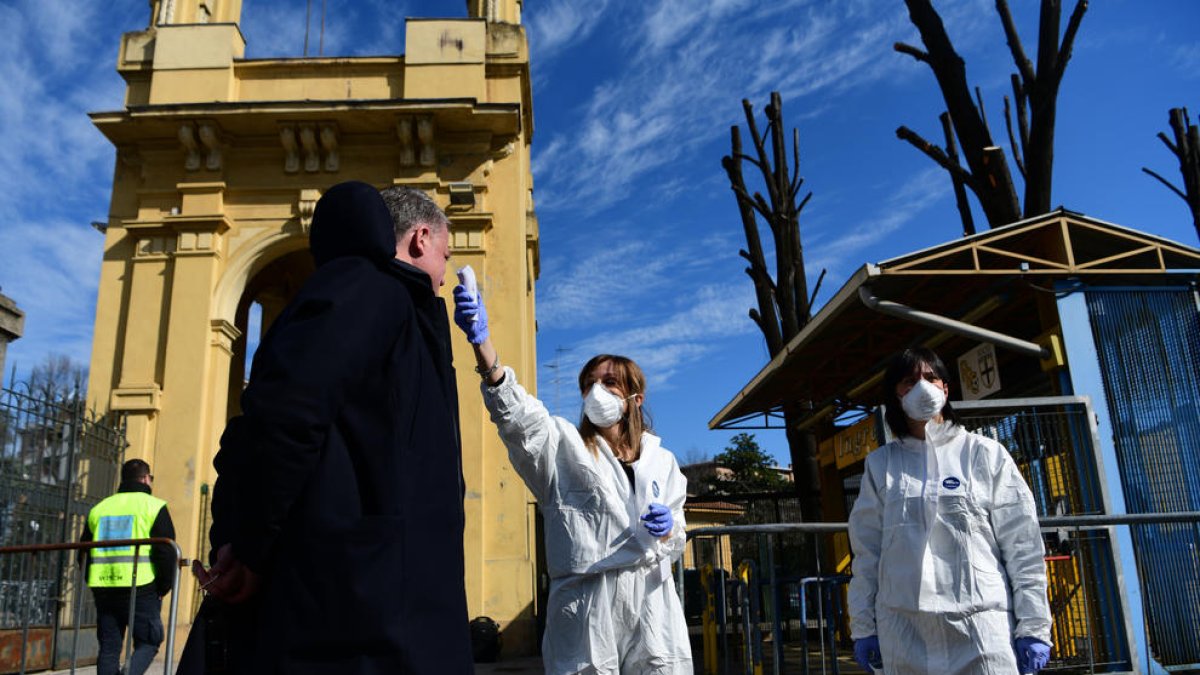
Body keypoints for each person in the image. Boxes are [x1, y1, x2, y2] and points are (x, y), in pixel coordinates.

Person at [190, 181, 473, 673]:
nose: (446, 276)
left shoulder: (405, 312)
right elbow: (282, 419)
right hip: (355, 608)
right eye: (446, 256)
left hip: (389, 602)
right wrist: (249, 546)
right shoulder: (366, 290)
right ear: (421, 238)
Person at [452, 284, 692, 674]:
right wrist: (486, 351)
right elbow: (518, 418)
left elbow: (677, 531)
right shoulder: (563, 448)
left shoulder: (662, 463)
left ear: (636, 397)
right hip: (586, 604)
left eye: (610, 382)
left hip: (651, 600)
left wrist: (669, 529)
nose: (597, 392)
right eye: (590, 384)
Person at [847, 347, 1053, 674]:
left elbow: (1023, 545)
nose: (922, 387)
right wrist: (864, 627)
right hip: (904, 629)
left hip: (980, 626)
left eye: (930, 377)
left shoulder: (984, 455)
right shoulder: (881, 465)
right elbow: (867, 552)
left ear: (946, 387)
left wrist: (1034, 626)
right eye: (909, 381)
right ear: (895, 394)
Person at [81, 459, 176, 675]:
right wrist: (163, 587)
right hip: (141, 587)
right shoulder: (153, 506)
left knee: (109, 647)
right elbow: (166, 552)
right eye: (151, 478)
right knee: (149, 641)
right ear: (145, 478)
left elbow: (83, 551)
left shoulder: (99, 508)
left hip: (104, 586)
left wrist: (92, 580)